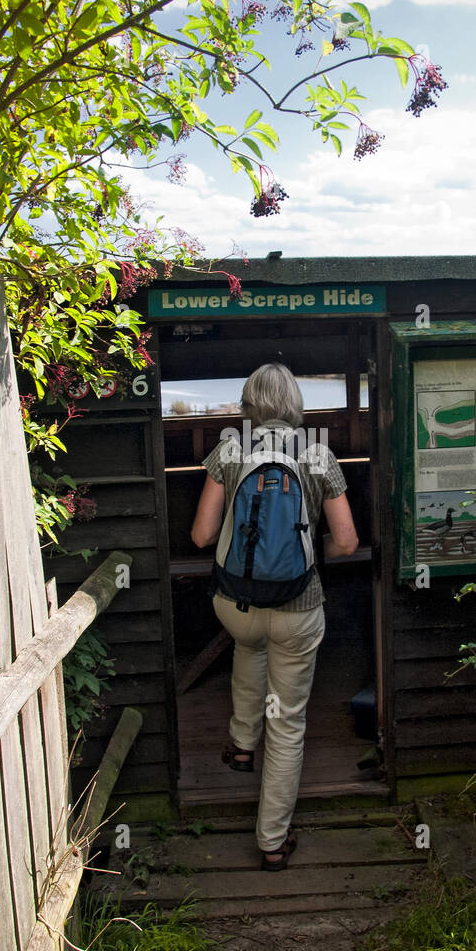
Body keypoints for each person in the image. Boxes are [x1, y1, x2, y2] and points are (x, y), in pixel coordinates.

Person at [190, 363, 359, 871]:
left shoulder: (229, 450)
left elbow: (201, 536)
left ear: (248, 401)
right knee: (286, 724)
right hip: (297, 608)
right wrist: (309, 549)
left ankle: (242, 744)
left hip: (236, 606)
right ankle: (271, 841)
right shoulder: (317, 453)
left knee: (249, 643)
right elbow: (348, 542)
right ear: (293, 402)